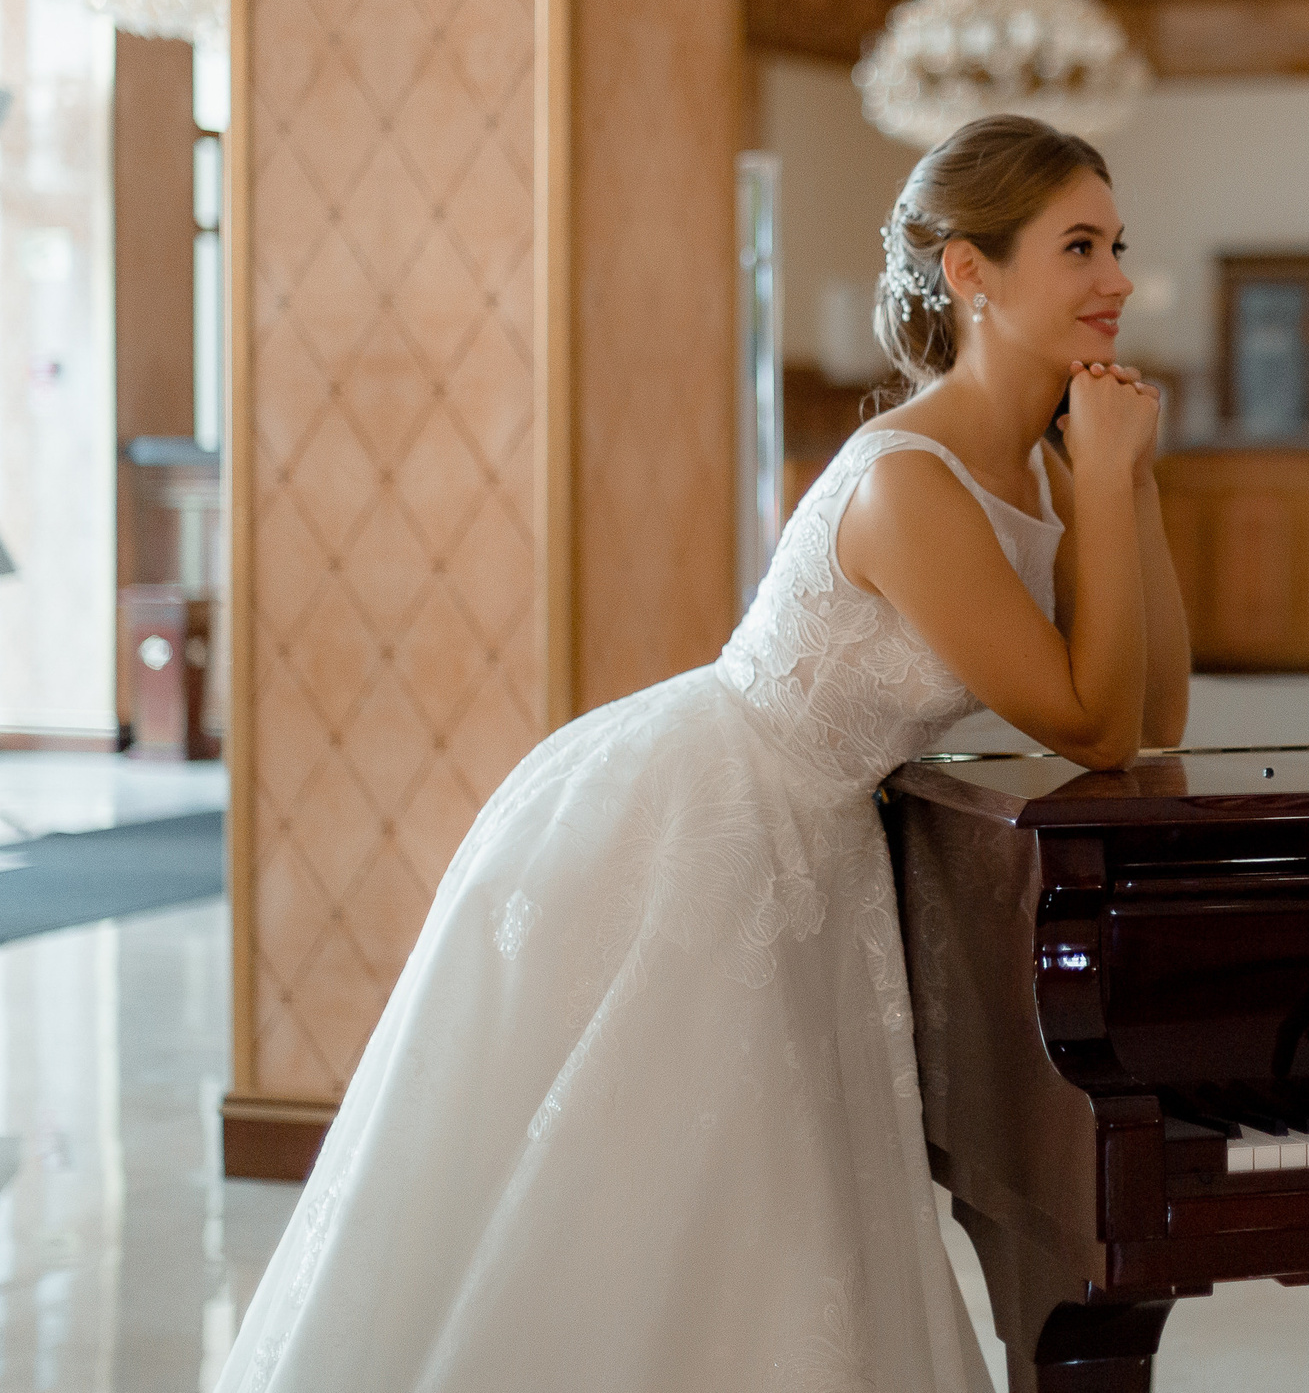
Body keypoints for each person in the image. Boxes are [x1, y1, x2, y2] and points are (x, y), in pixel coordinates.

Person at [220, 114, 1188, 1392]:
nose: (1117, 277)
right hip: (695, 825)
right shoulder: (911, 480)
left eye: (1116, 244)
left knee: (787, 1220)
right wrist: (1107, 486)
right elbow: (1088, 723)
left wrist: (1129, 484)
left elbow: (1154, 709)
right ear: (970, 272)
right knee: (645, 1203)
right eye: (1078, 247)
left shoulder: (1051, 465)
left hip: (815, 842)